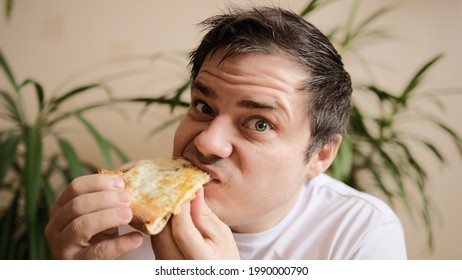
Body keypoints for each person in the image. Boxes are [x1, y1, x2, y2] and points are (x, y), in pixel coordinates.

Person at [45, 6, 407, 260]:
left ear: (321, 155)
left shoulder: (361, 236)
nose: (206, 141)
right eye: (203, 107)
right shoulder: (121, 213)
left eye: (260, 123)